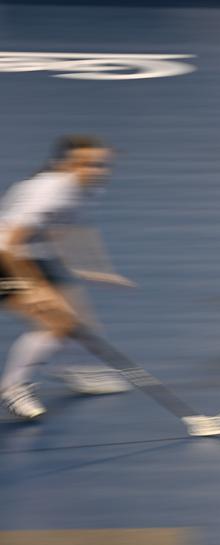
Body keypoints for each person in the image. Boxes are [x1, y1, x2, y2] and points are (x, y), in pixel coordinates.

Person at [0, 135, 132, 420]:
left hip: (31, 253)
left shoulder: (83, 187)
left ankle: (71, 369)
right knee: (53, 324)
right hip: (6, 257)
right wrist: (32, 288)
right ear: (65, 164)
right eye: (85, 164)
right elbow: (10, 241)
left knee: (77, 320)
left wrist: (87, 268)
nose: (95, 170)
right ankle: (12, 388)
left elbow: (62, 228)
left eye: (100, 164)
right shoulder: (48, 191)